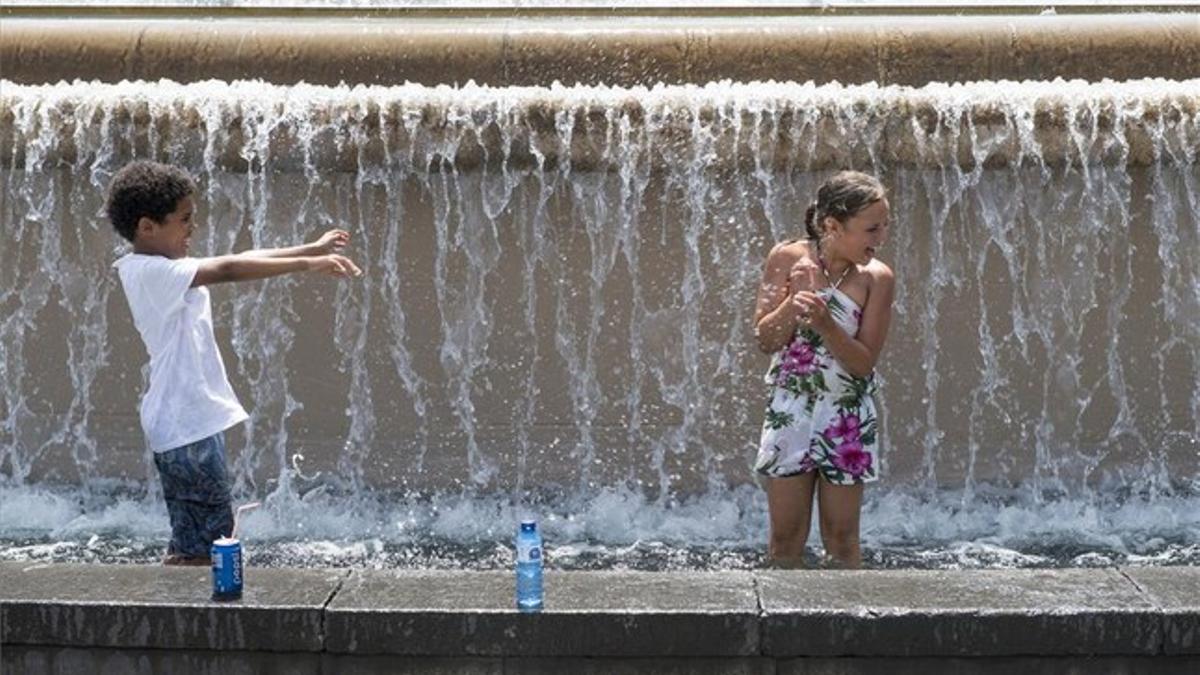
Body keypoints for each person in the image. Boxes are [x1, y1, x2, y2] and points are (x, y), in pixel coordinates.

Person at [106, 160, 362, 565]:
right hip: (183, 423)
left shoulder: (162, 267)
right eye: (184, 220)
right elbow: (228, 268)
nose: (193, 229)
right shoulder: (149, 272)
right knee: (207, 550)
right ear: (147, 227)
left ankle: (182, 608)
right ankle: (190, 617)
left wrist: (309, 248)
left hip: (190, 421)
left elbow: (241, 255)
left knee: (200, 541)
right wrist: (308, 265)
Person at [752, 170, 894, 569]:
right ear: (833, 225)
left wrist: (826, 323)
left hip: (845, 415)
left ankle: (847, 627)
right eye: (871, 229)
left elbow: (864, 363)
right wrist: (796, 300)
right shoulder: (785, 259)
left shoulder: (877, 279)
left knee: (843, 541)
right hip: (790, 410)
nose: (880, 238)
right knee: (784, 542)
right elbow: (765, 339)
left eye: (884, 226)